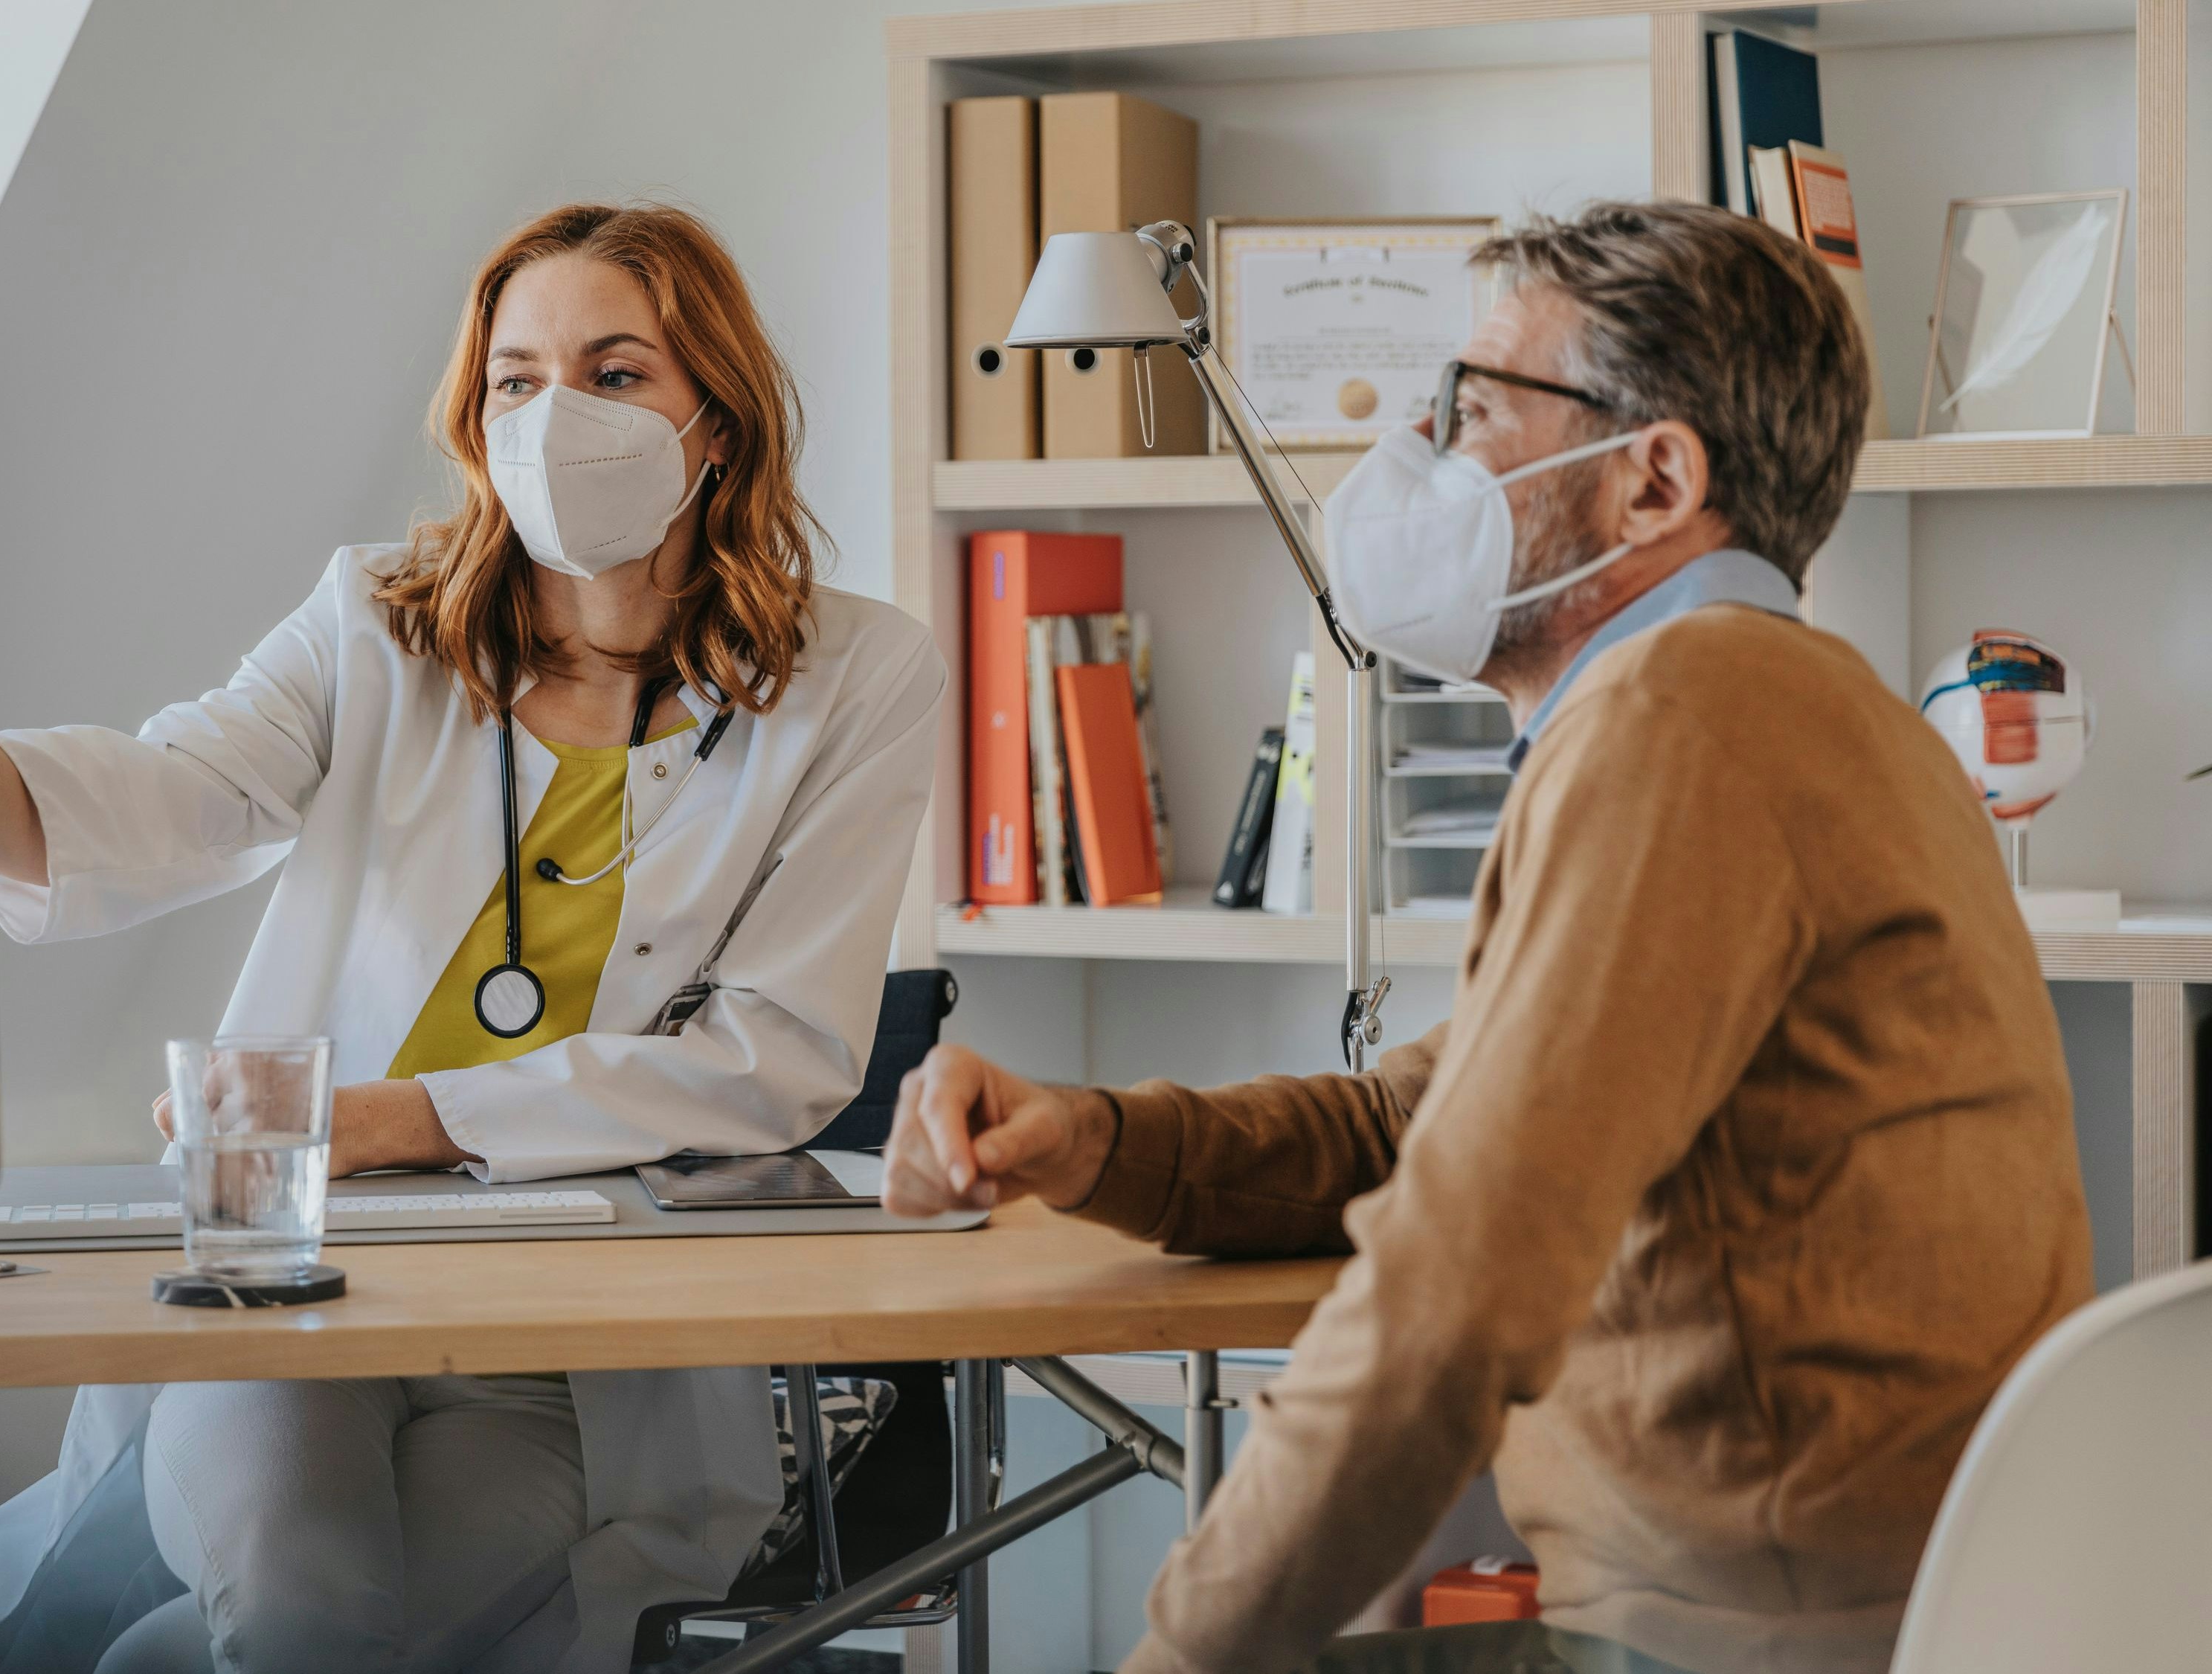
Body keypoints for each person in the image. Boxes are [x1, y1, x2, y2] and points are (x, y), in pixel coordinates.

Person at [885, 199, 2091, 1674]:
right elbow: (1424, 1124)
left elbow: (1451, 1289)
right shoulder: (1799, 711)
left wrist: (1173, 1657)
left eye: (1468, 411)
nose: (1417, 457)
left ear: (1649, 481)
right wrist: (1091, 1139)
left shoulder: (1683, 720)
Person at [0, 202, 942, 1674]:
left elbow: (771, 1060)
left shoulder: (854, 677)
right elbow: (174, 794)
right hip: (302, 1286)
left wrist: (392, 1119)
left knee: (227, 1653)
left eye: (614, 372)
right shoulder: (376, 627)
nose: (554, 417)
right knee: (296, 1611)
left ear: (715, 422)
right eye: (514, 380)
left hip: (573, 1353)